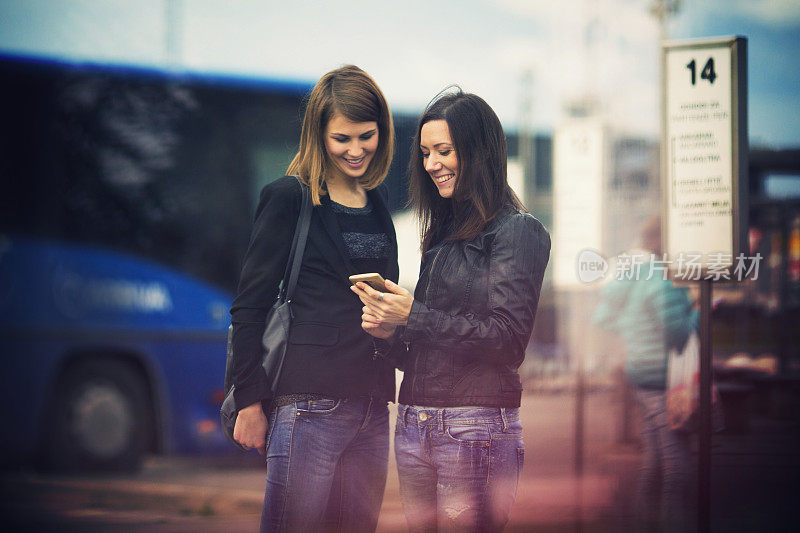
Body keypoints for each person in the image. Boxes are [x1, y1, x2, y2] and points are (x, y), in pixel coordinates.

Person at [352, 89, 551, 532]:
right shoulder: (441, 235)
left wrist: (413, 317)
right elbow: (426, 348)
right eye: (425, 153)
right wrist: (388, 331)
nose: (432, 164)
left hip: (474, 427)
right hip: (414, 421)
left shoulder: (518, 231)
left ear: (480, 152)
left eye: (444, 151)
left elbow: (507, 341)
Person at [229, 65, 398, 533]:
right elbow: (249, 306)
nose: (356, 149)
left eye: (367, 136)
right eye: (342, 138)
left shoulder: (378, 202)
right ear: (319, 134)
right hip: (308, 407)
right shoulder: (289, 197)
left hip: (371, 407)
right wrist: (249, 401)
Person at [592, 216, 697, 532]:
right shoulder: (665, 278)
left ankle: (643, 522)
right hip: (661, 376)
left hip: (641, 373)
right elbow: (678, 333)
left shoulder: (639, 273)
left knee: (655, 457)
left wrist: (634, 330)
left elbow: (603, 316)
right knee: (677, 464)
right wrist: (703, 312)